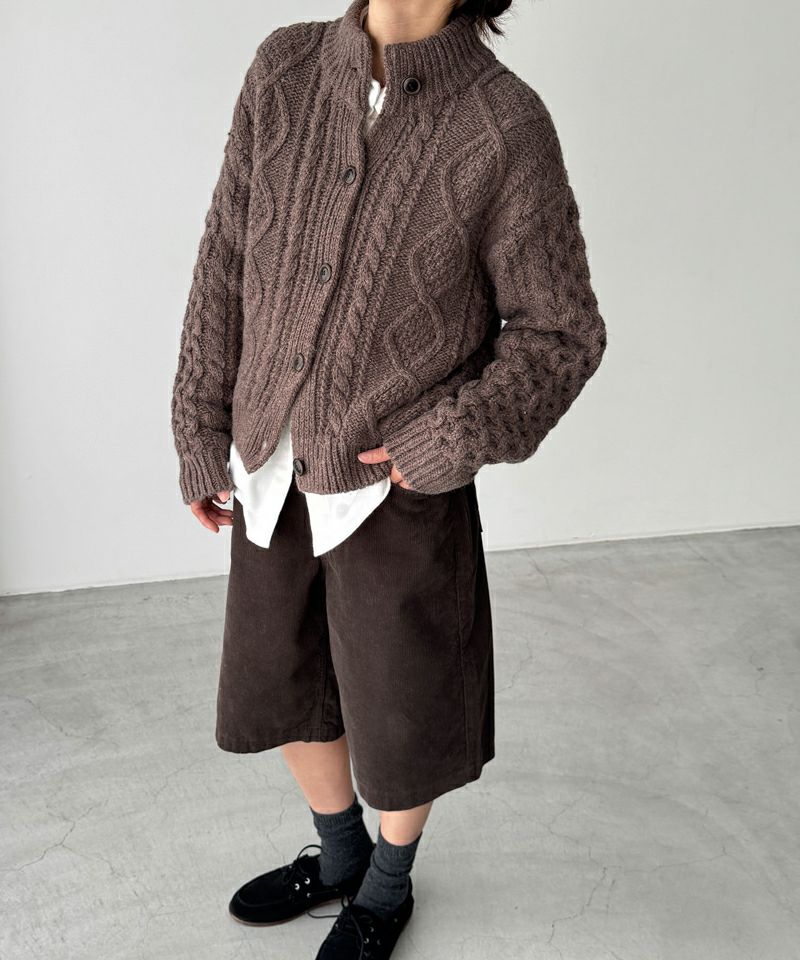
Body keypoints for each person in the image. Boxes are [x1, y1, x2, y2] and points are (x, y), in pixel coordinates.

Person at [170, 0, 607, 956]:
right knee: (283, 681)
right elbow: (226, 258)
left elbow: (561, 329)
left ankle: (387, 885)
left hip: (396, 483)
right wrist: (200, 423)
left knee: (403, 710)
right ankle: (338, 857)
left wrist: (452, 437)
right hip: (268, 462)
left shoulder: (503, 121)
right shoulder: (284, 68)